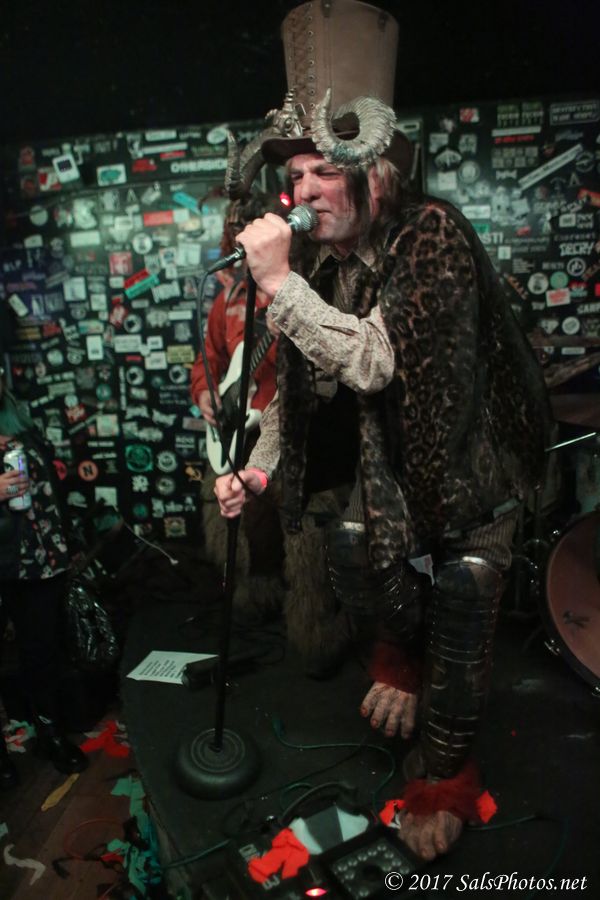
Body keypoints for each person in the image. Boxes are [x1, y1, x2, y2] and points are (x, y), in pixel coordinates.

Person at [214, 0, 551, 862]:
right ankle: (400, 662)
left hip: (471, 474)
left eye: (324, 171)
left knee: (464, 598)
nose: (301, 192)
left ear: (379, 175)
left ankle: (447, 777)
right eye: (295, 175)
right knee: (355, 551)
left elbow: (373, 360)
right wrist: (260, 473)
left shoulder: (432, 235)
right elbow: (298, 394)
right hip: (392, 479)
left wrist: (281, 286)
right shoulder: (325, 267)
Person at [191, 193, 285, 619]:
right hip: (233, 431)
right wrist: (205, 392)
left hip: (282, 433)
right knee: (228, 521)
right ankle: (245, 598)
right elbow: (208, 358)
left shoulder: (297, 293)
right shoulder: (229, 299)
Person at [0, 364, 88, 787]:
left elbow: (48, 489)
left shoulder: (18, 419)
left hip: (40, 559)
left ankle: (50, 735)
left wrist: (65, 543)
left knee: (42, 652)